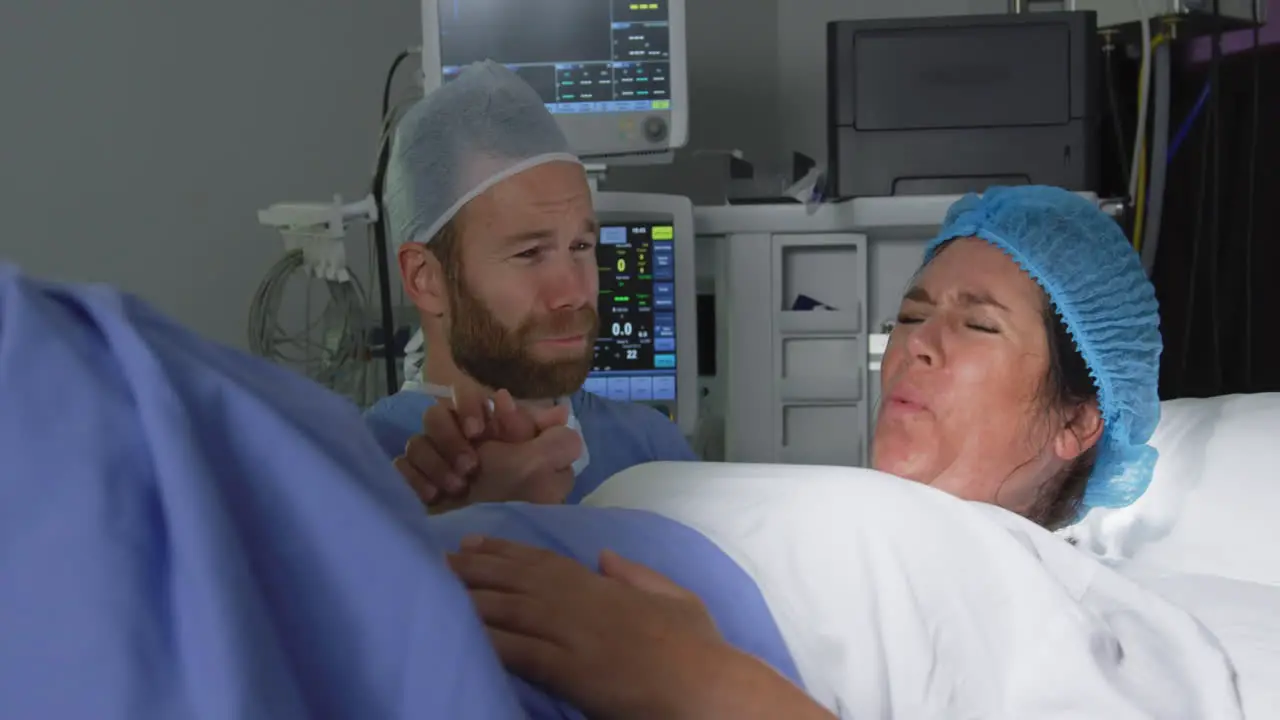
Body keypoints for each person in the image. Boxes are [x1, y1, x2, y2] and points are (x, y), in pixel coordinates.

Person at [445, 186, 1172, 713]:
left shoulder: (1049, 608)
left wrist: (701, 685)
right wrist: (483, 511)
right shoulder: (838, 517)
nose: (917, 343)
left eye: (978, 327)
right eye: (912, 314)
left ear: (1077, 422)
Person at [366, 60, 696, 511]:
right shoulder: (363, 471)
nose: (574, 294)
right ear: (425, 279)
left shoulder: (651, 450)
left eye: (581, 245)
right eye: (528, 254)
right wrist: (451, 528)